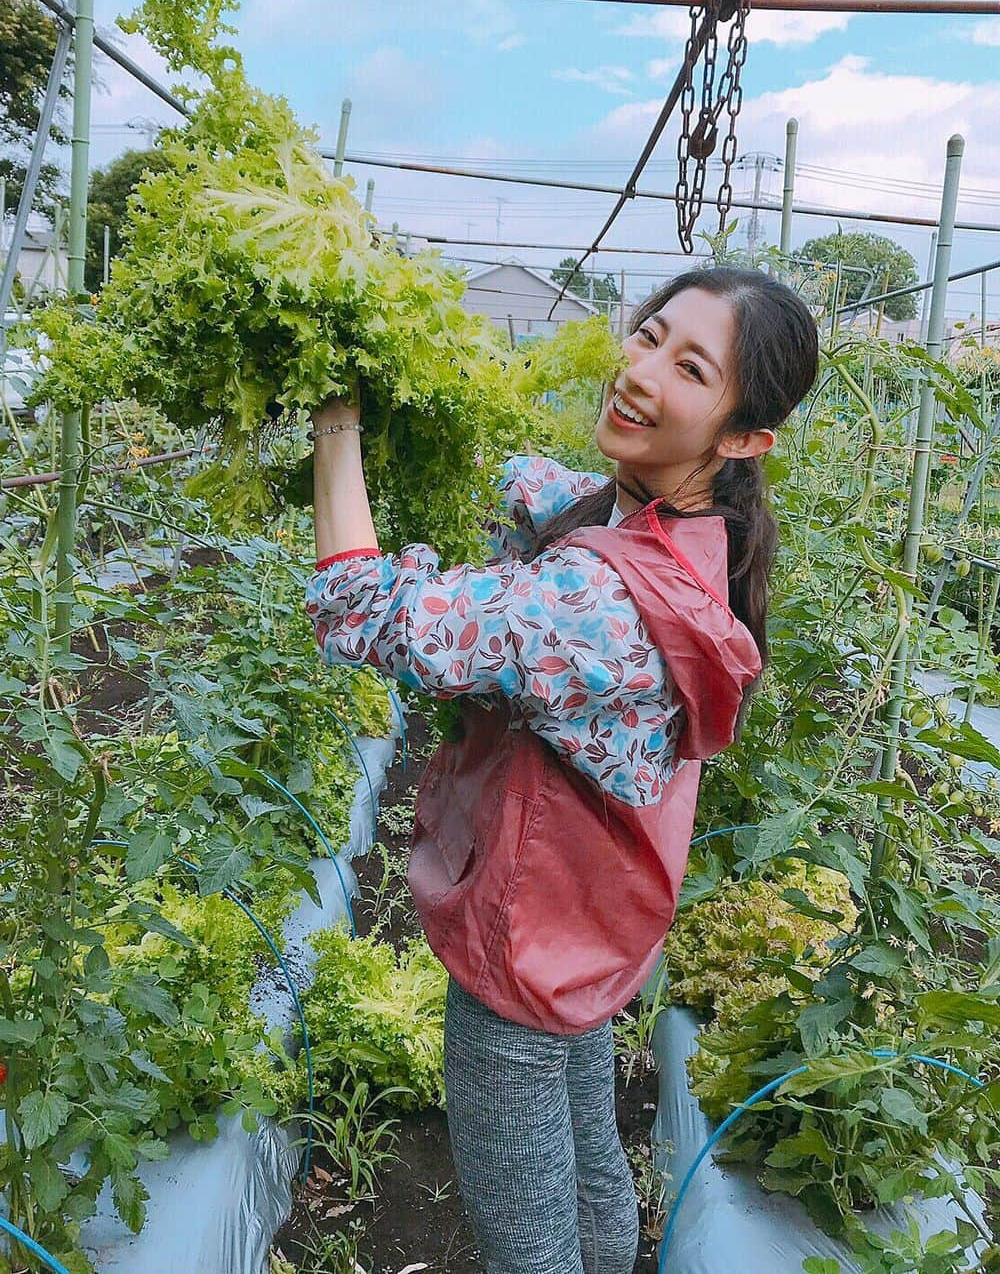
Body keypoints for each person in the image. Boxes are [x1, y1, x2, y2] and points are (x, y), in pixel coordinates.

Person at [304, 265, 820, 1274]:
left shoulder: (595, 599)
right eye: (648, 335)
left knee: (527, 1244)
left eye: (689, 366)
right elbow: (539, 489)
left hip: (525, 954)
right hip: (592, 938)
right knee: (589, 1182)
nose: (639, 370)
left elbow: (359, 612)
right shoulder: (693, 542)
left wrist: (337, 422)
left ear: (743, 438)